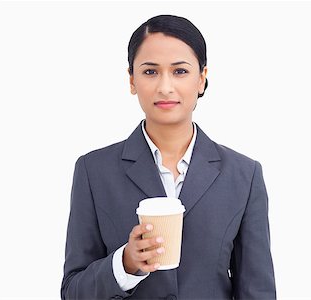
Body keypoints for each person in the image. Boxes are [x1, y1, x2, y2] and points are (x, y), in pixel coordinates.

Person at [61, 14, 276, 300]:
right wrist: (123, 265)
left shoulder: (243, 175)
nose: (165, 87)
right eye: (150, 72)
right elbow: (73, 291)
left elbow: (257, 291)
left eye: (180, 71)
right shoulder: (94, 170)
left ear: (201, 79)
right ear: (131, 80)